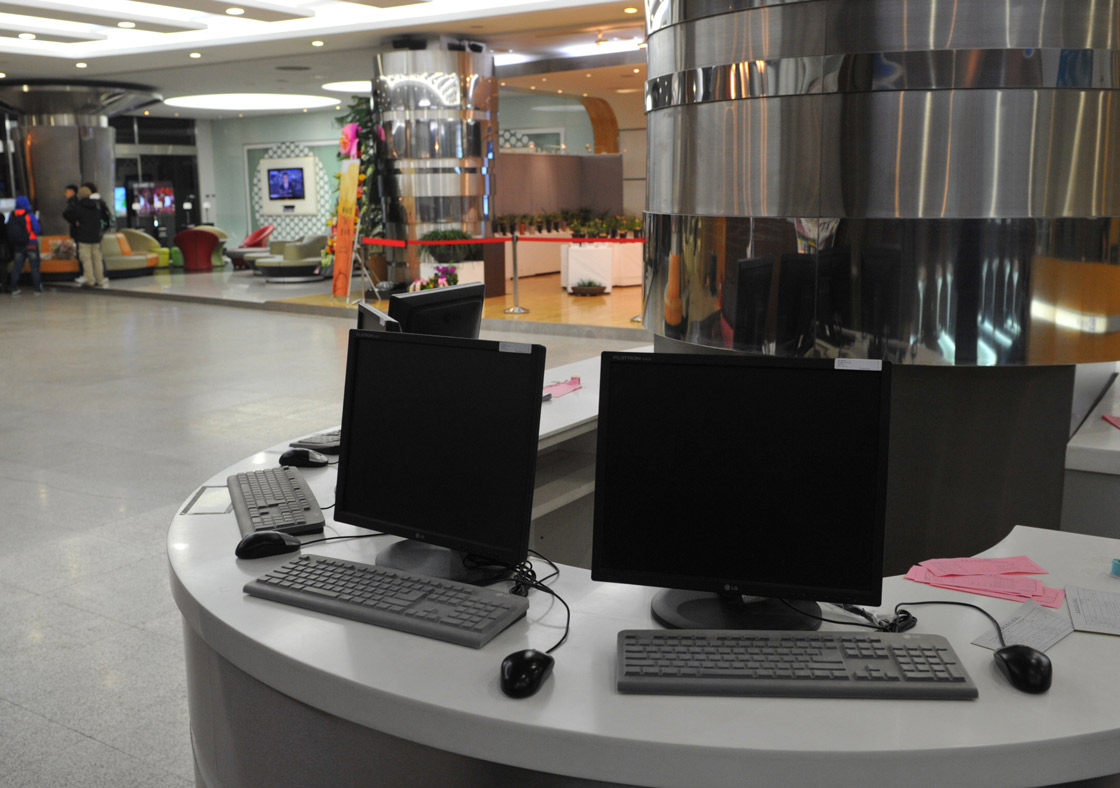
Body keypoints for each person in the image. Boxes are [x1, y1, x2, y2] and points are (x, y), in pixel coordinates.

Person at [64, 184, 112, 289]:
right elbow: (106, 217)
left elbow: (67, 214)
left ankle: (90, 279)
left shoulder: (79, 207)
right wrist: (103, 229)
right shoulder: (97, 206)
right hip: (96, 236)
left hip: (83, 236)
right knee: (97, 258)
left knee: (86, 259)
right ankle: (100, 279)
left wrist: (75, 221)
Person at [6, 195, 43, 295]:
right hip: (31, 243)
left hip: (18, 245)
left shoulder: (12, 215)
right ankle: (37, 289)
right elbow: (37, 229)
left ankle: (13, 288)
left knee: (17, 266)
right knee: (34, 266)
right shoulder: (29, 215)